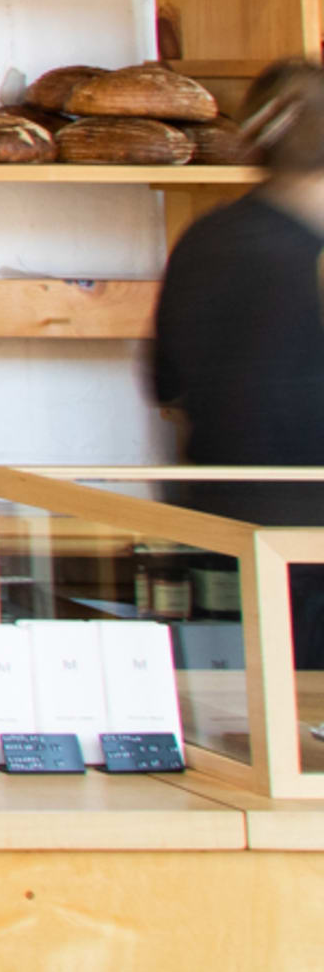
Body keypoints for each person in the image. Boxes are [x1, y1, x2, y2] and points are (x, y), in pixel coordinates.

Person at [147, 58, 324, 645]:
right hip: (311, 549)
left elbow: (166, 386)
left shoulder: (206, 241)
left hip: (221, 538)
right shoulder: (311, 254)